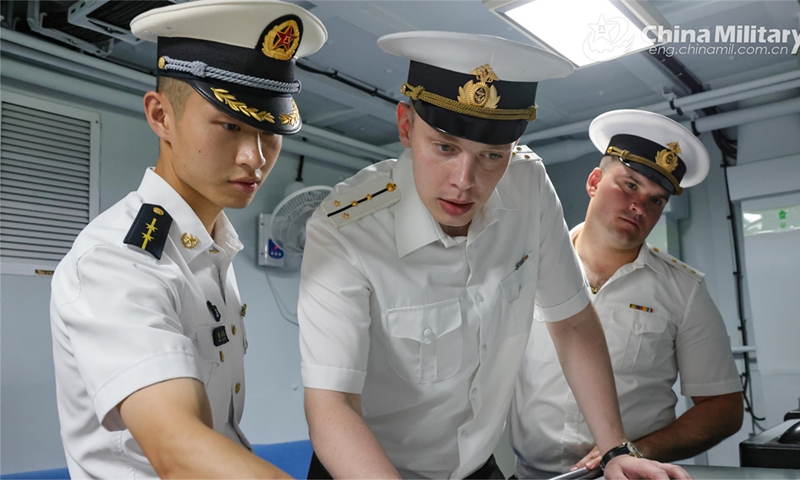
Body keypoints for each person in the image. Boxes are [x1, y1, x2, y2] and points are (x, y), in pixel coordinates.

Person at [297, 32, 689, 480]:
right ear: (406, 125)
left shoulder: (527, 185)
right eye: (445, 147)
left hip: (476, 468)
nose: (465, 180)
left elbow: (573, 321)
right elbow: (333, 405)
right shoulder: (345, 228)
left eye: (491, 155)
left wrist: (614, 449)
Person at [49, 1, 326, 478]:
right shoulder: (118, 260)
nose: (254, 157)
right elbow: (178, 449)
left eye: (270, 132)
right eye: (231, 125)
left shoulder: (208, 248)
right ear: (161, 116)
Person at [510, 109, 744, 479]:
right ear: (594, 181)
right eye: (630, 185)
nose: (639, 207)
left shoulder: (683, 291)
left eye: (657, 200)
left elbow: (724, 407)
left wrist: (634, 450)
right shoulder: (524, 267)